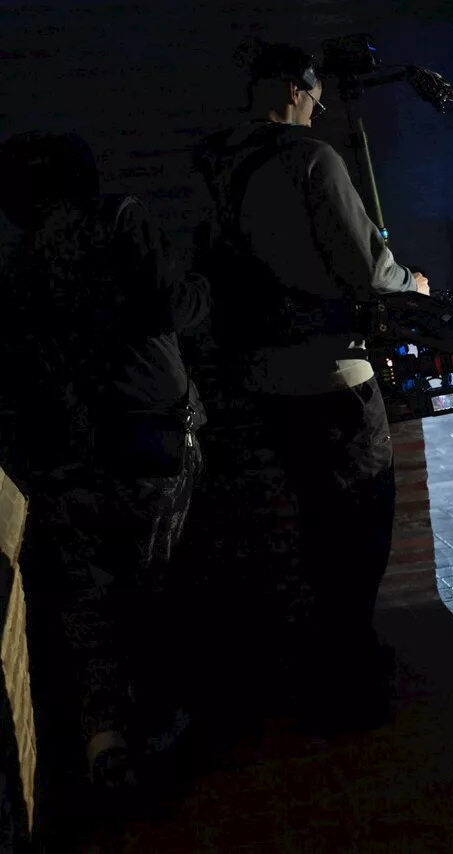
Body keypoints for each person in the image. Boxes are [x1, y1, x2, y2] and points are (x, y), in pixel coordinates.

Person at [191, 39, 429, 734]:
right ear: (299, 89)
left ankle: (329, 668)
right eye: (317, 98)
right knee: (359, 532)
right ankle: (351, 684)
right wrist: (409, 283)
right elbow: (365, 269)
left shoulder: (218, 162)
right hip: (334, 379)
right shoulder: (310, 159)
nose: (320, 110)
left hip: (264, 382)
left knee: (316, 530)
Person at [0, 131, 209, 803]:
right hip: (146, 449)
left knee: (89, 606)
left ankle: (104, 744)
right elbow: (181, 306)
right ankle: (157, 745)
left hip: (65, 458)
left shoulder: (21, 261)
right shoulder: (120, 219)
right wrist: (205, 282)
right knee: (152, 595)